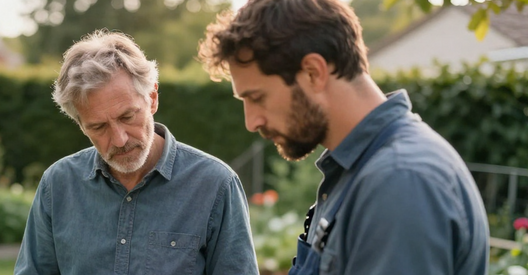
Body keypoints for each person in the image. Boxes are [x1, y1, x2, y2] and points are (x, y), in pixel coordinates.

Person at [198, 0, 489, 274]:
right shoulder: (359, 171)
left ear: (313, 72)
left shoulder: (399, 181)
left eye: (257, 97)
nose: (252, 122)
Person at [14, 30, 259, 275]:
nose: (119, 139)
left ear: (152, 98)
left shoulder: (215, 184)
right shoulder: (57, 185)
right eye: (98, 127)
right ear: (80, 125)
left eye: (127, 116)